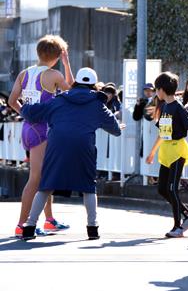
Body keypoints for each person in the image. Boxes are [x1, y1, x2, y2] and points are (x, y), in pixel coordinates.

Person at [19, 68, 123, 240]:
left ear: (74, 83)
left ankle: (29, 227)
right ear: (94, 85)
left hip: (57, 145)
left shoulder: (58, 101)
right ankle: (92, 229)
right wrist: (117, 127)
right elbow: (116, 130)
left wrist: (22, 103)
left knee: (46, 185)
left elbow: (30, 112)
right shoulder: (98, 104)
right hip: (84, 146)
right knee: (89, 187)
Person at [8, 35, 74, 238]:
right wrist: (67, 64)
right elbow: (72, 92)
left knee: (45, 177)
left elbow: (12, 101)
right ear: (58, 55)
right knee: (36, 178)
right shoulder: (52, 74)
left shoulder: (24, 74)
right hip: (43, 129)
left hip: (28, 127)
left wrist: (27, 114)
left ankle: (49, 220)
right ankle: (22, 224)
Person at [145, 72, 188, 238]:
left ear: (161, 89)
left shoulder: (178, 108)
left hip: (178, 151)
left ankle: (178, 227)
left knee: (172, 189)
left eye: (157, 89)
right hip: (167, 150)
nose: (156, 92)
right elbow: (163, 133)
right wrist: (152, 152)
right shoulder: (163, 107)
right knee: (162, 189)